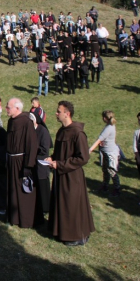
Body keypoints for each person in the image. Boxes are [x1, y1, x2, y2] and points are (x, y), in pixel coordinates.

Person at [45, 101, 95, 246]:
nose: (56, 113)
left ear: (67, 113)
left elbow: (83, 158)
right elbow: (60, 152)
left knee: (72, 205)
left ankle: (77, 236)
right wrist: (52, 158)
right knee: (62, 203)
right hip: (60, 174)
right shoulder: (61, 131)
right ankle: (62, 232)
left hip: (72, 176)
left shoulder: (78, 133)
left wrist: (59, 164)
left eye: (58, 111)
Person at [5, 98, 42, 228]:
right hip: (11, 160)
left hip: (21, 161)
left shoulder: (26, 122)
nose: (6, 109)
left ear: (17, 108)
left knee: (23, 192)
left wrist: (28, 165)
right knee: (13, 190)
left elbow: (32, 145)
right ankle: (14, 217)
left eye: (8, 107)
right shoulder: (10, 121)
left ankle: (26, 219)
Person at [89, 110, 121, 197]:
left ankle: (117, 189)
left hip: (110, 153)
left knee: (111, 171)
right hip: (105, 152)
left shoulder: (108, 128)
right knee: (105, 170)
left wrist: (90, 149)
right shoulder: (110, 125)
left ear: (104, 118)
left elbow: (99, 140)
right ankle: (105, 186)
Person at [29, 113, 52, 215]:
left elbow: (44, 149)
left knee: (43, 186)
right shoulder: (29, 131)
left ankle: (45, 208)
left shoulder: (43, 131)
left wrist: (32, 149)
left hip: (41, 162)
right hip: (31, 162)